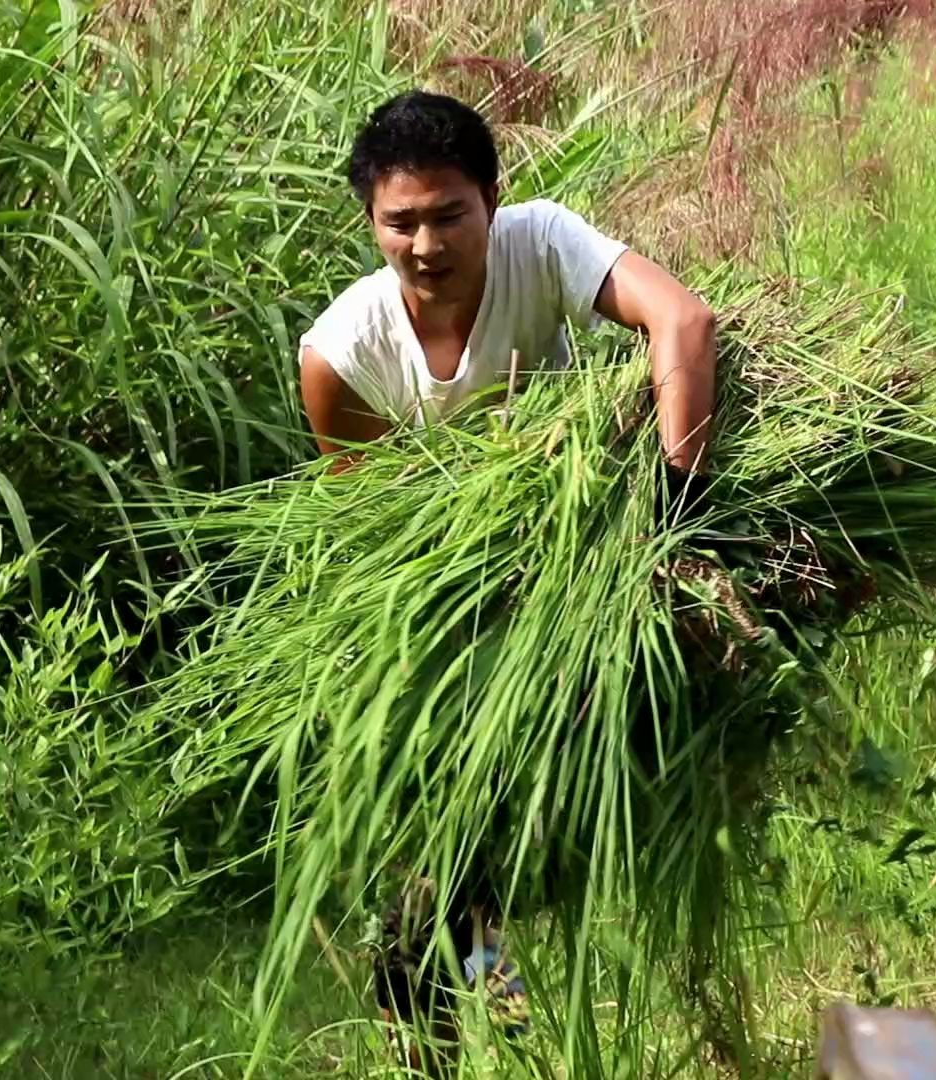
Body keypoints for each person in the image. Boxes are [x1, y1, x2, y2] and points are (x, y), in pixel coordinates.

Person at [297, 90, 719, 1070]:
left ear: (492, 199)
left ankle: (480, 1010)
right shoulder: (341, 353)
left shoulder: (541, 244)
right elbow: (374, 526)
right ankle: (471, 1022)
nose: (427, 243)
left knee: (478, 844)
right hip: (451, 598)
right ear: (371, 224)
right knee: (434, 834)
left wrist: (674, 512)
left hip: (583, 563)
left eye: (449, 214)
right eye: (400, 222)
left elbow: (684, 324)